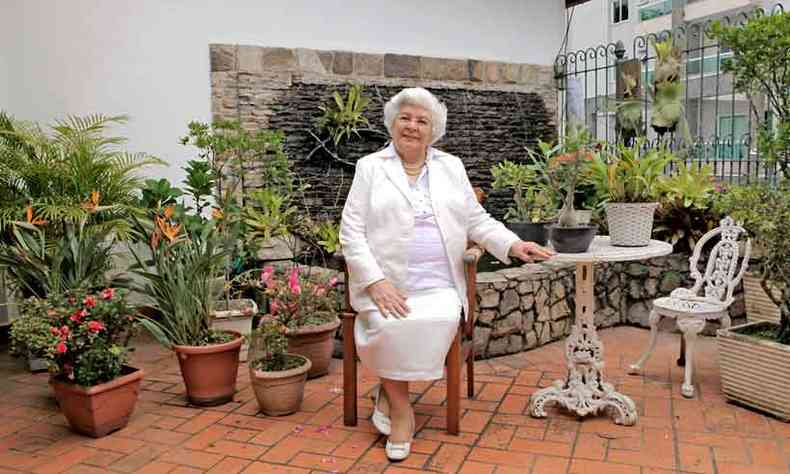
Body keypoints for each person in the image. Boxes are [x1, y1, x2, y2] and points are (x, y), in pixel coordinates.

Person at [339, 87, 554, 462]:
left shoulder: (450, 167)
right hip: (386, 281)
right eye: (405, 117)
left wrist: (512, 244)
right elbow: (351, 232)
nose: (412, 126)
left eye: (422, 120)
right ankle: (403, 411)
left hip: (439, 282)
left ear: (433, 130)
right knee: (389, 322)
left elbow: (476, 220)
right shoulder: (370, 167)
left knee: (437, 318)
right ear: (393, 123)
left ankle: (389, 392)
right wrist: (376, 282)